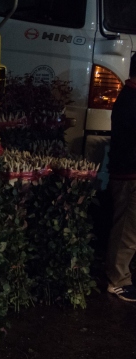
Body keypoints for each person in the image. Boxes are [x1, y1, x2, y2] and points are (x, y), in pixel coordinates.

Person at [105, 54, 136, 302]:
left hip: (127, 171)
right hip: (129, 174)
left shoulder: (129, 97)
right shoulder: (131, 100)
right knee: (126, 230)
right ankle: (117, 280)